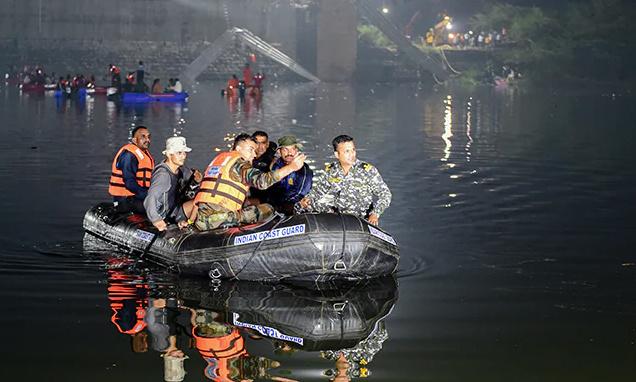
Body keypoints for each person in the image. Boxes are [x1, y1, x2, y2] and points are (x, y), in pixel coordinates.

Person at [191, 133, 306, 230]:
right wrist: (292, 167)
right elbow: (262, 181)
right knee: (268, 209)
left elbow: (201, 196)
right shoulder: (239, 164)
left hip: (202, 219)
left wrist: (190, 222)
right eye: (251, 150)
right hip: (217, 219)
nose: (254, 155)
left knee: (252, 206)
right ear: (238, 149)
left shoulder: (218, 161)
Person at [298, 135, 391, 226]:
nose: (352, 155)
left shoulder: (368, 171)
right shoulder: (331, 170)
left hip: (361, 219)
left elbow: (385, 194)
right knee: (304, 206)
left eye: (353, 150)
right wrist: (307, 200)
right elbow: (318, 192)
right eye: (347, 151)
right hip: (339, 217)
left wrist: (375, 214)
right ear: (337, 154)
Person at [143, 136, 200, 232]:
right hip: (166, 216)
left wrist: (198, 179)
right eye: (179, 153)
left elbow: (192, 177)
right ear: (169, 155)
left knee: (200, 199)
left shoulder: (180, 169)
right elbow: (150, 199)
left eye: (184, 152)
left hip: (175, 208)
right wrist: (156, 220)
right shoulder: (163, 176)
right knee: (199, 203)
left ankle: (191, 224)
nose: (183, 156)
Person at [109, 126, 154, 214]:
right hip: (126, 199)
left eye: (149, 137)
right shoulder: (129, 155)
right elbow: (129, 183)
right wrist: (147, 196)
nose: (147, 140)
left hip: (136, 196)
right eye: (143, 137)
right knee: (156, 208)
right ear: (134, 140)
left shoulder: (144, 154)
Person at [267, 136, 313, 215]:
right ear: (279, 151)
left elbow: (301, 193)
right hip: (274, 206)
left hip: (295, 207)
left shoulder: (304, 169)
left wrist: (283, 205)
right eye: (285, 149)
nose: (289, 153)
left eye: (293, 149)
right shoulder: (276, 166)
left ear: (297, 151)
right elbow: (271, 188)